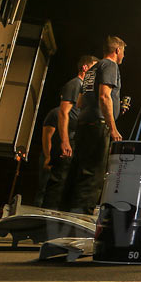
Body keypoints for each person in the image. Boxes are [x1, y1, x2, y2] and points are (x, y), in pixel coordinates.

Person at [67, 36, 126, 213]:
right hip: (99, 124)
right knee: (94, 175)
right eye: (123, 52)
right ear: (117, 50)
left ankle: (69, 214)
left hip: (85, 122)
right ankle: (81, 218)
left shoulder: (93, 68)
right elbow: (104, 96)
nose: (123, 56)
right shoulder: (110, 65)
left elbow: (80, 101)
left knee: (81, 172)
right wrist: (113, 127)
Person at [42, 55, 97, 210]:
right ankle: (46, 217)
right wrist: (65, 141)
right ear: (85, 68)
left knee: (68, 182)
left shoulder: (84, 88)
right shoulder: (75, 84)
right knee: (59, 181)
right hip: (68, 139)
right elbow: (63, 112)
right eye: (94, 68)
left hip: (76, 139)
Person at [34, 106, 59, 206]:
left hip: (61, 157)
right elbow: (47, 136)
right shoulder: (55, 113)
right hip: (50, 155)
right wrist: (48, 157)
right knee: (44, 189)